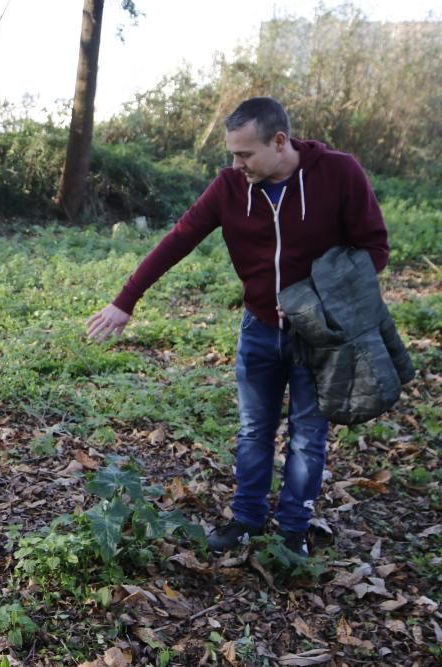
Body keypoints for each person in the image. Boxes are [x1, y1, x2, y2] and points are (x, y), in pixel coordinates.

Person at [86, 97, 389, 557]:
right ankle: (245, 521)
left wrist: (325, 303)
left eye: (245, 154)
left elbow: (374, 248)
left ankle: (292, 530)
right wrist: (126, 300)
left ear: (280, 142)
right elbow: (180, 237)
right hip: (260, 328)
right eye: (232, 153)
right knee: (253, 430)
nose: (236, 163)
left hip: (320, 335)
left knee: (308, 435)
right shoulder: (230, 186)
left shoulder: (338, 172)